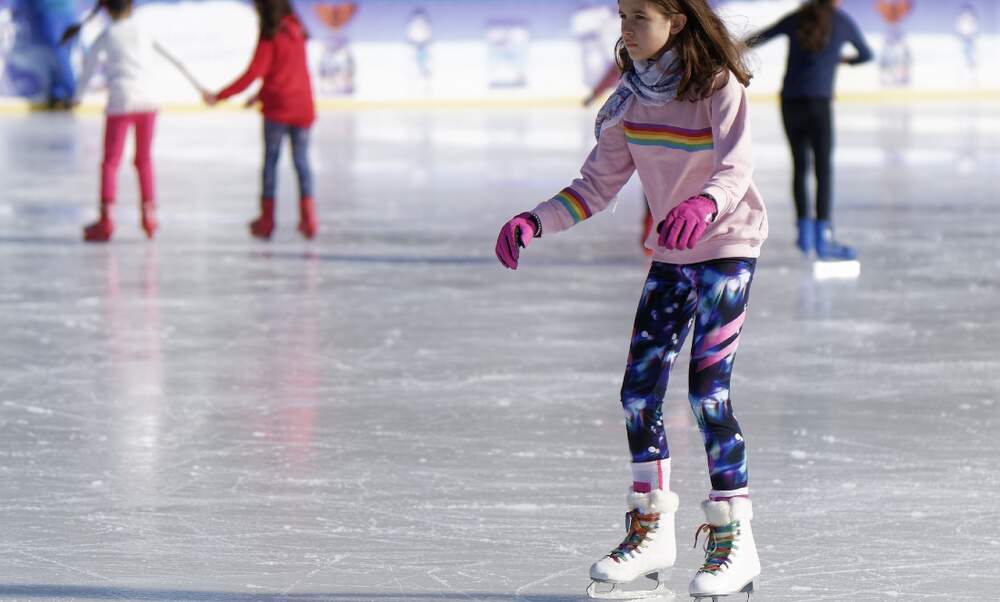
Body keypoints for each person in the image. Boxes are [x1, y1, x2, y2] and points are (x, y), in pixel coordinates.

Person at [495, 1, 766, 598]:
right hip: (673, 253)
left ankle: (735, 538)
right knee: (638, 392)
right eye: (622, 14)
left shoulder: (717, 85)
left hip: (726, 248)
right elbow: (596, 185)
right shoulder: (631, 97)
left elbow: (736, 167)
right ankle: (652, 530)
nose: (625, 28)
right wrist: (534, 221)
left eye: (639, 15)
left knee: (707, 391)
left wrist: (703, 204)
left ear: (677, 20)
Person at [747, 0, 873, 261]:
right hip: (818, 104)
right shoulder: (842, 22)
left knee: (800, 165)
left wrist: (723, 47)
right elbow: (867, 55)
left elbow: (759, 38)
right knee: (823, 168)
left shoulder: (797, 19)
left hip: (790, 103)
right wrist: (841, 59)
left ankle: (804, 234)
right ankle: (823, 238)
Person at [64, 0, 185, 242]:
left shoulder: (108, 34)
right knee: (144, 160)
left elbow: (88, 68)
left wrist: (77, 97)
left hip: (121, 104)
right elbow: (171, 58)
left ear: (107, 10)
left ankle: (107, 219)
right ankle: (149, 217)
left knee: (110, 163)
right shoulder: (143, 31)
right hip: (148, 104)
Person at [204, 0, 317, 240]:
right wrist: (259, 96)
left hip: (278, 111)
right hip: (303, 107)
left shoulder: (270, 35)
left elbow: (254, 73)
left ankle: (267, 221)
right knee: (302, 162)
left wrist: (219, 95)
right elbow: (284, 72)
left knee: (271, 164)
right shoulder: (297, 28)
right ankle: (310, 219)